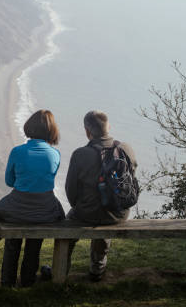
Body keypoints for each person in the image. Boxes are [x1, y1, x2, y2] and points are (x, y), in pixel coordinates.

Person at [0, 109, 65, 287]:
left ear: (30, 127)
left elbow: (9, 181)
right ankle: (28, 281)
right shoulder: (55, 154)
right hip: (45, 210)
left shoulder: (17, 152)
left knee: (12, 244)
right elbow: (47, 180)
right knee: (34, 247)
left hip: (18, 208)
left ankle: (7, 284)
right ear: (51, 131)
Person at [64, 110, 138, 281]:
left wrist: (80, 207)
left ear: (87, 131)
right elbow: (132, 180)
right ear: (108, 127)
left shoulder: (80, 154)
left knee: (68, 230)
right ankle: (97, 269)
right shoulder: (126, 149)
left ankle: (61, 267)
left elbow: (71, 191)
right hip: (118, 214)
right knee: (106, 211)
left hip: (86, 213)